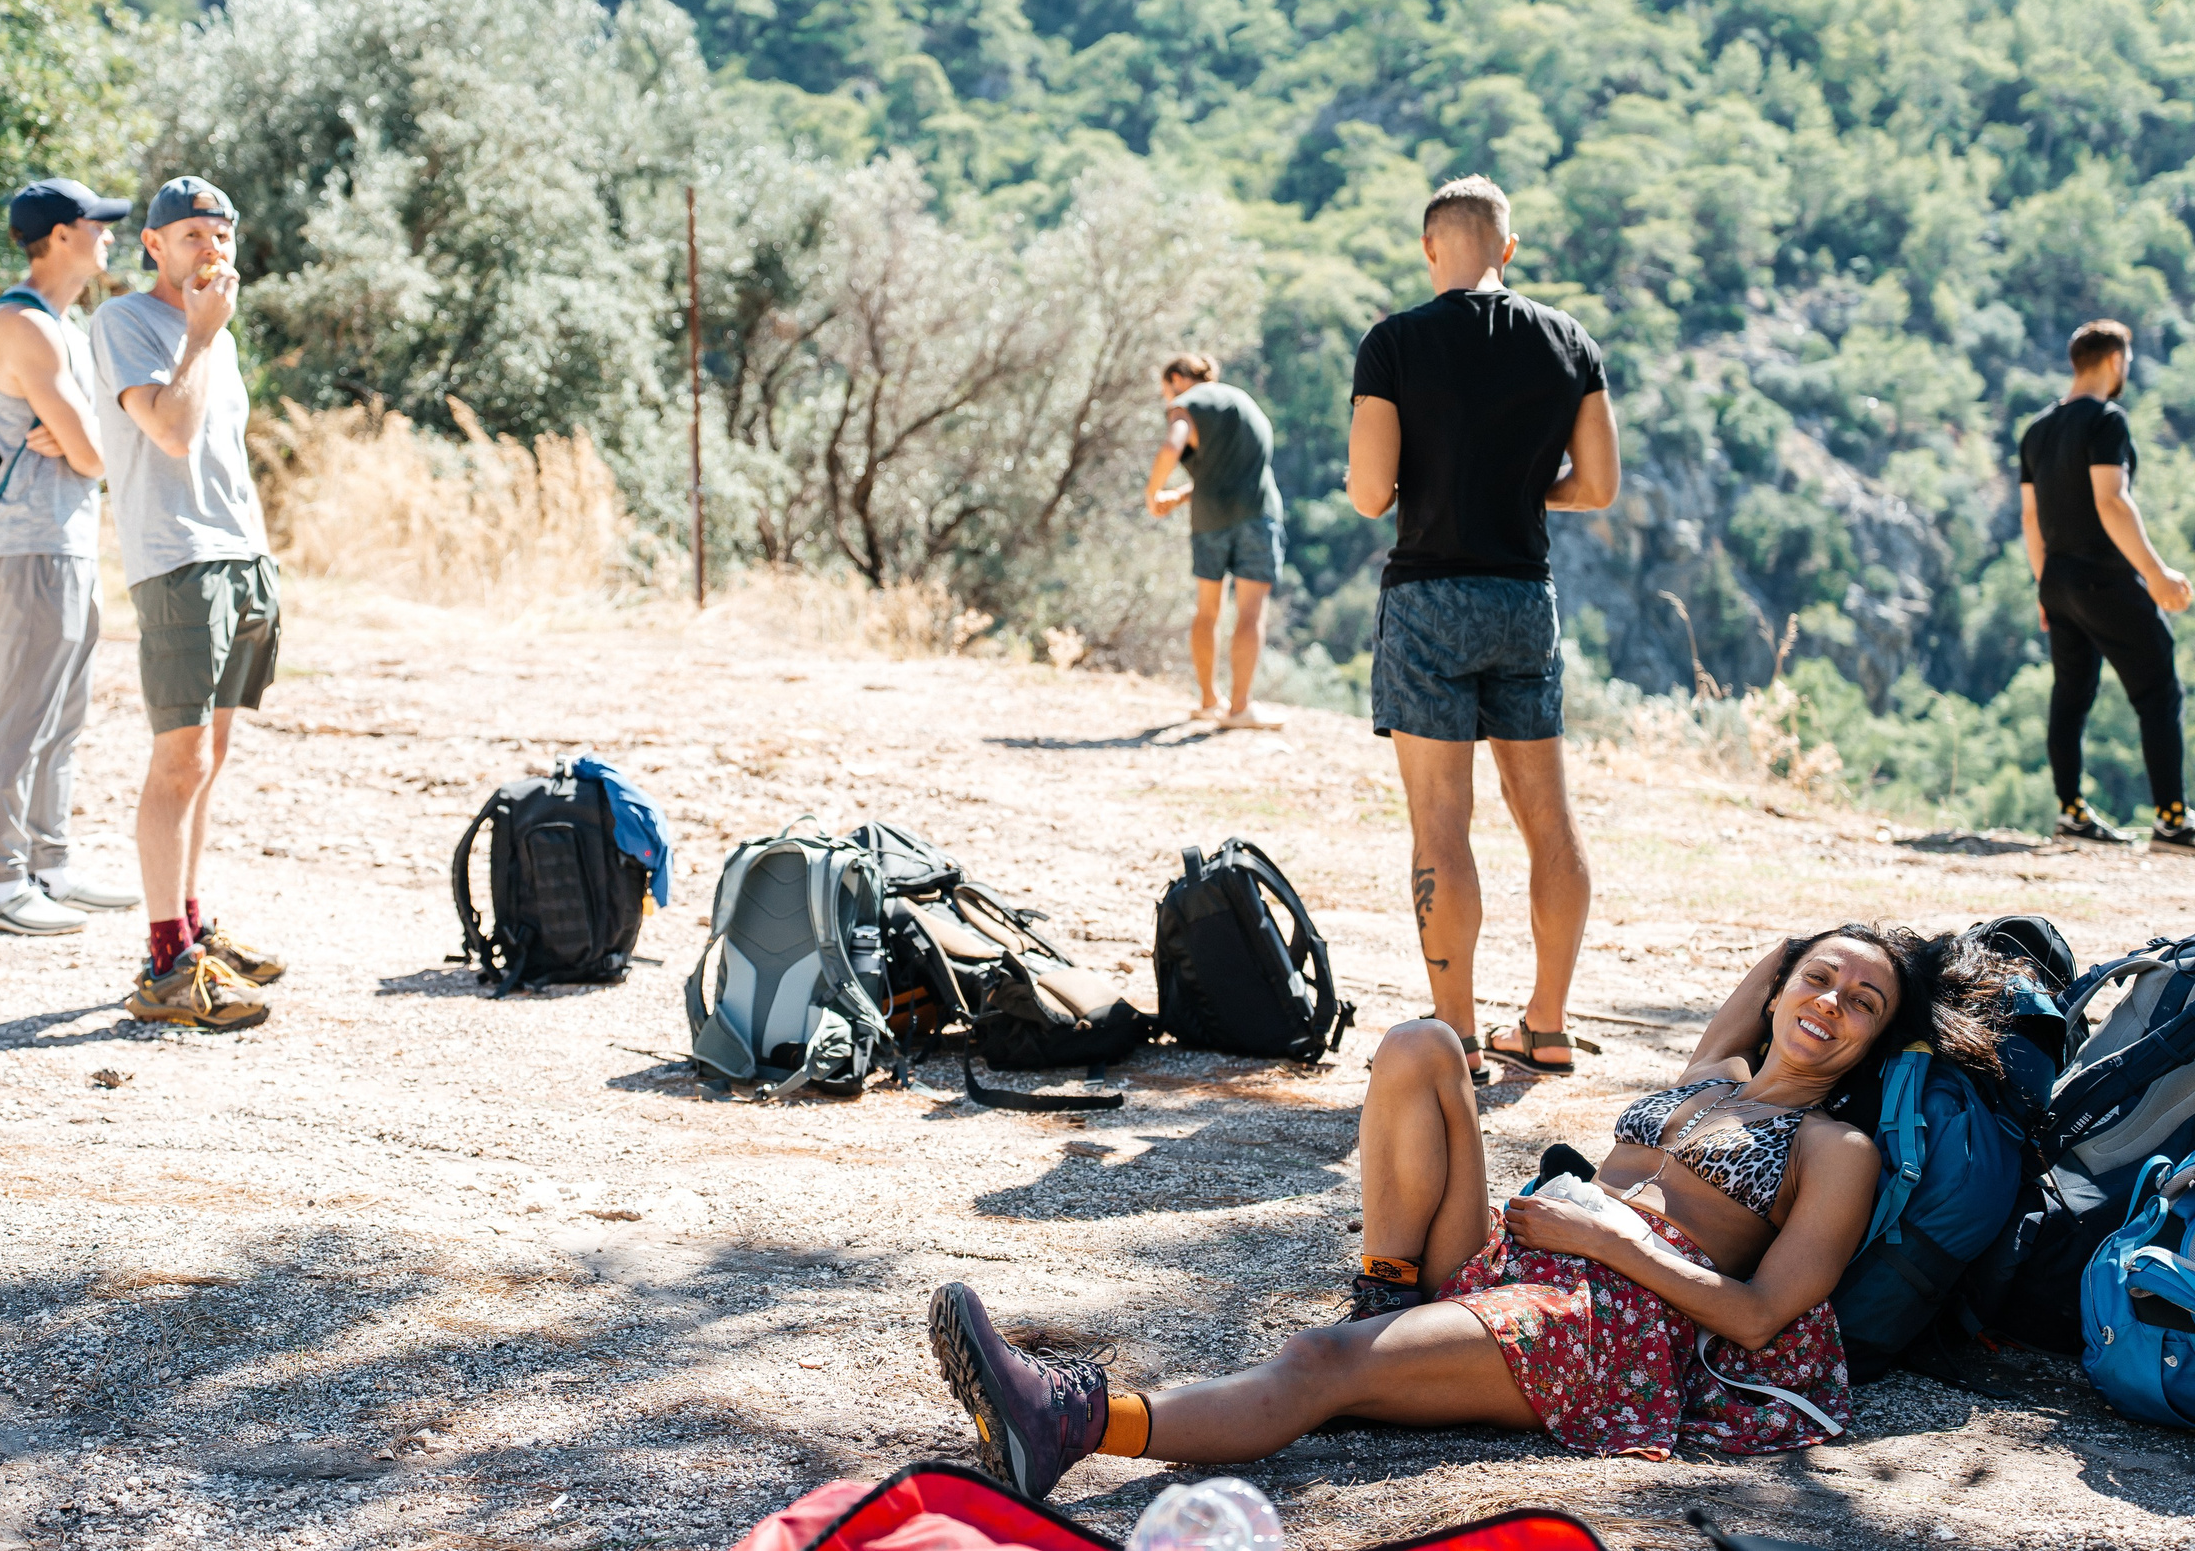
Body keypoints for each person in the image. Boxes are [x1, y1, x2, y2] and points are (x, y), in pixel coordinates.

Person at [925, 924, 2017, 1497]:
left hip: (1611, 1328)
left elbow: (1755, 1317)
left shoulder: (1838, 1149)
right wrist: (1835, 948)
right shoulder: (1714, 1072)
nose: (1828, 1005)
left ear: (1879, 1044)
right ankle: (1390, 1290)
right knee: (1419, 1047)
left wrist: (1606, 1234)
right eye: (1819, 981)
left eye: (1862, 1004)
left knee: (1319, 1364)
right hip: (1520, 1259)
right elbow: (1779, 954)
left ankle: (1075, 1421)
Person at [1344, 175, 1619, 1085]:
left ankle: (1456, 1032)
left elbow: (1369, 491)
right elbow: (1598, 485)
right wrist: (1517, 488)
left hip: (1429, 597)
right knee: (1548, 818)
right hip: (1523, 599)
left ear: (1431, 249)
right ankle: (1547, 1024)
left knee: (1441, 825)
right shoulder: (1570, 341)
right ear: (1509, 246)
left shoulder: (1393, 343)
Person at [90, 176, 287, 1029]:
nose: (213, 250)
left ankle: (195, 926)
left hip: (240, 556)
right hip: (178, 563)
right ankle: (165, 962)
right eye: (195, 236)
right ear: (155, 246)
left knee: (211, 756)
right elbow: (168, 430)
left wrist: (262, 553)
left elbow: (220, 457)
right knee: (178, 762)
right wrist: (202, 336)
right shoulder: (127, 324)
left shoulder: (218, 335)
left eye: (223, 236)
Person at [0, 179, 144, 938]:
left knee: (63, 714)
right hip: (33, 544)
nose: (109, 236)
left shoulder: (64, 327)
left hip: (66, 541)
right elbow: (96, 451)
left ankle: (50, 863)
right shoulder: (25, 326)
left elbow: (90, 446)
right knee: (25, 713)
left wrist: (88, 439)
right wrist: (91, 440)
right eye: (96, 224)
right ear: (62, 235)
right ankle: (0, 884)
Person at [2018, 318, 2195, 852]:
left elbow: (2030, 518)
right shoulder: (2106, 421)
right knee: (2159, 688)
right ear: (2116, 360)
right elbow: (2111, 501)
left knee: (2071, 694)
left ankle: (2071, 812)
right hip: (2103, 578)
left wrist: (2043, 584)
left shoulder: (2038, 431)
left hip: (2058, 580)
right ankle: (2172, 820)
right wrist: (2157, 574)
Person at [1143, 354, 1286, 728]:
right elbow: (1232, 474)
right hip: (1258, 515)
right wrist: (1181, 494)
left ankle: (1208, 700)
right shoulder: (1243, 403)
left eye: (1164, 391)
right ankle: (1240, 708)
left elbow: (1172, 446)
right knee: (1250, 612)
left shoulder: (1186, 404)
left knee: (1208, 611)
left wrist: (1154, 492)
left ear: (1176, 378)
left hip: (1209, 522)